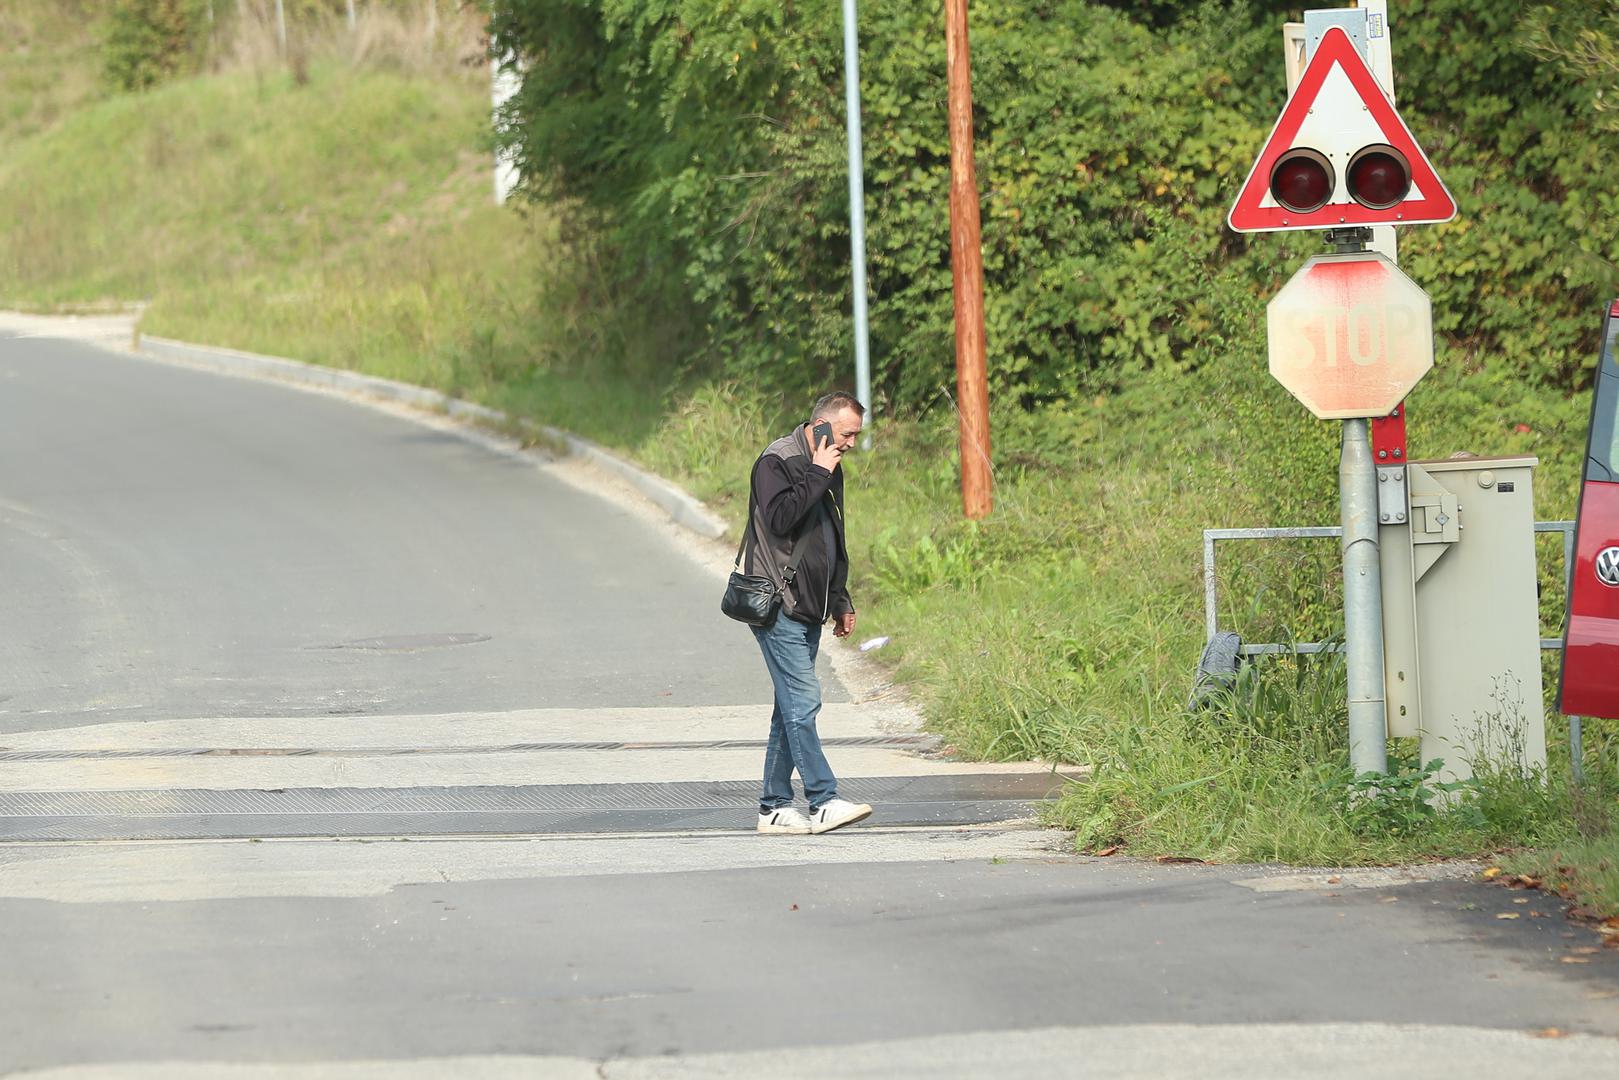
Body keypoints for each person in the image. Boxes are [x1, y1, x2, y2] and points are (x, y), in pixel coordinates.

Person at [743, 391, 874, 835]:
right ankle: (824, 799)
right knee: (804, 701)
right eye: (846, 433)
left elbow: (830, 535)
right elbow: (780, 519)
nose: (852, 443)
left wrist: (840, 598)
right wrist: (818, 471)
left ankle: (775, 808)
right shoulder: (776, 461)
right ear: (819, 425)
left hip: (811, 604)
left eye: (856, 434)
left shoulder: (830, 464)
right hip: (778, 601)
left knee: (789, 708)